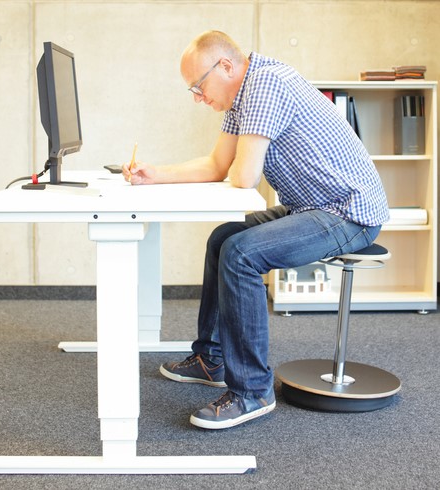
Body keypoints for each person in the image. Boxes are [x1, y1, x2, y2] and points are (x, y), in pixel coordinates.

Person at [122, 31, 389, 430]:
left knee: (241, 253)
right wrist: (154, 175)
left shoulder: (266, 83)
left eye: (199, 85)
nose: (197, 97)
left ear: (226, 66)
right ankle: (210, 358)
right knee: (222, 239)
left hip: (349, 212)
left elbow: (243, 177)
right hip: (311, 206)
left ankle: (252, 391)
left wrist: (230, 171)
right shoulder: (240, 96)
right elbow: (217, 165)